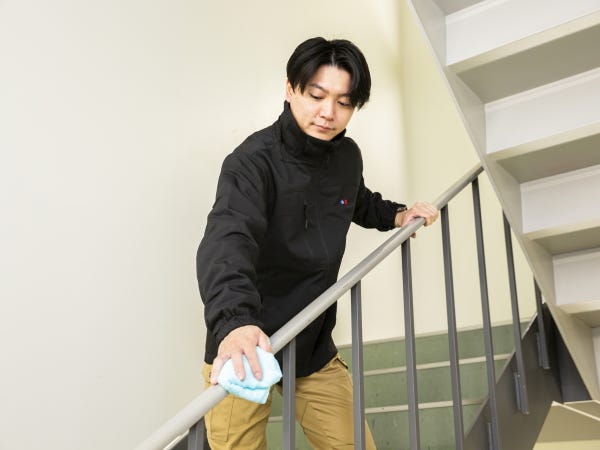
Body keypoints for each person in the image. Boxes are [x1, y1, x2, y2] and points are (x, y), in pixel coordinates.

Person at [196, 36, 439, 450]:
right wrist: (235, 323)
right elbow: (227, 242)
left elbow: (357, 200)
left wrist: (397, 215)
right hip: (247, 342)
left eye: (344, 102)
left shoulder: (347, 157)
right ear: (290, 89)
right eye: (316, 95)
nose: (328, 113)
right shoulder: (251, 162)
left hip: (310, 344)